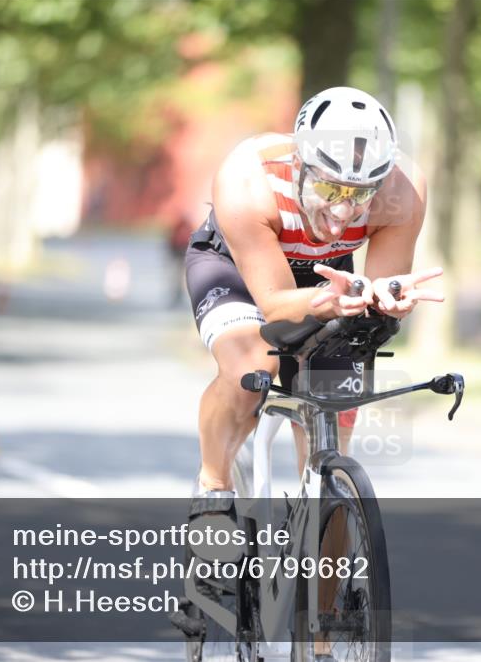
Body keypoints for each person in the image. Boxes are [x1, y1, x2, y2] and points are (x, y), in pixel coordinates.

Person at [184, 86, 444, 501]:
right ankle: (213, 490)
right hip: (236, 269)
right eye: (329, 190)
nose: (343, 212)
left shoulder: (401, 189)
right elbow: (274, 305)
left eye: (359, 194)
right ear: (299, 164)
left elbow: (382, 286)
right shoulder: (250, 177)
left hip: (329, 278)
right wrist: (330, 303)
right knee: (249, 370)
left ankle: (324, 525)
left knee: (333, 423)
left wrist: (388, 300)